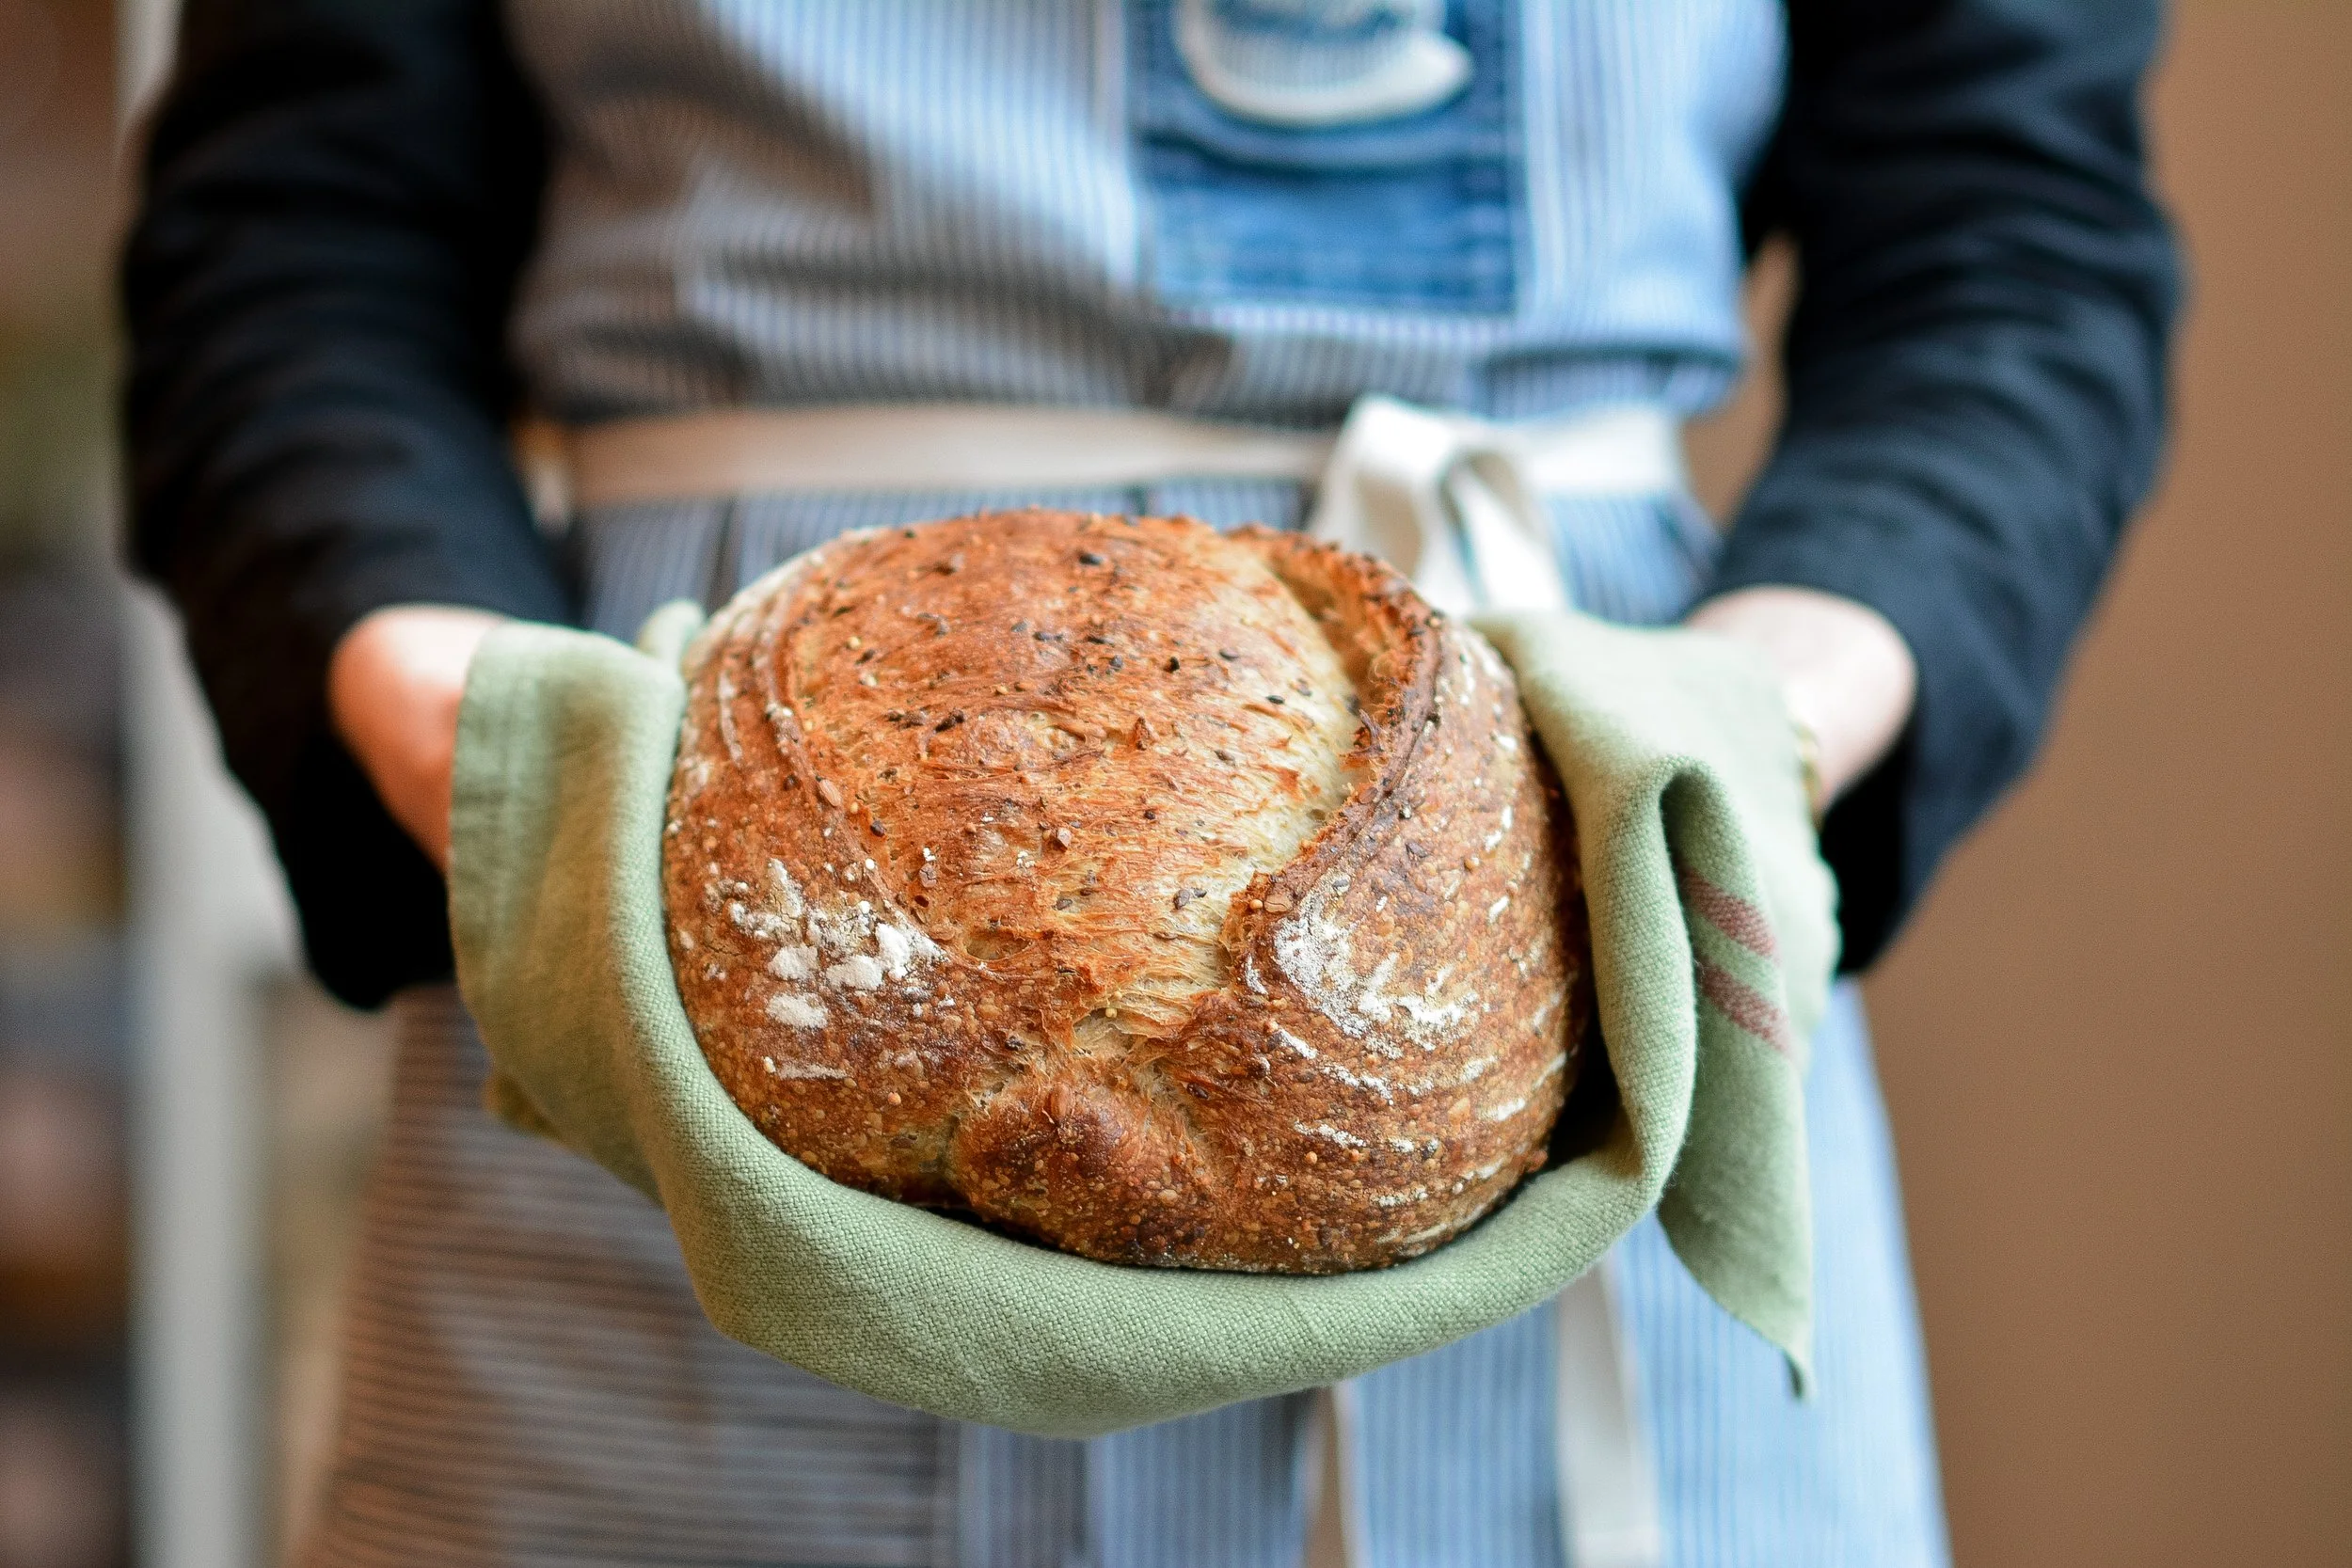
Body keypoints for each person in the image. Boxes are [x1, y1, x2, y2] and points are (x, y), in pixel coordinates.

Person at [123, 2, 2176, 1564]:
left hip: (1576, 872)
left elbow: (2003, 243)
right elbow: (296, 241)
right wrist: (470, 742)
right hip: (686, 924)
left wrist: (1759, 717)